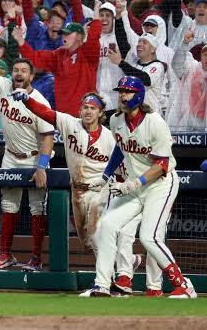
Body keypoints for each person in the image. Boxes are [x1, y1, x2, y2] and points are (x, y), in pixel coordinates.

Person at [11, 88, 156, 294]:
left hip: (101, 190)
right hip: (77, 191)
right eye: (85, 107)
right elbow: (46, 113)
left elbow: (125, 161)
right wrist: (27, 100)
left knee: (98, 237)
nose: (88, 111)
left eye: (92, 108)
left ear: (100, 113)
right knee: (87, 242)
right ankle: (129, 261)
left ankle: (105, 283)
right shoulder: (70, 124)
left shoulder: (110, 136)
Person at [79, 76, 197, 298]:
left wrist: (134, 183)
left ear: (139, 95)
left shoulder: (155, 123)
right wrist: (105, 177)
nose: (123, 95)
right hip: (135, 186)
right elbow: (120, 149)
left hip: (160, 185)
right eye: (121, 91)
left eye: (128, 91)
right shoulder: (116, 120)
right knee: (107, 226)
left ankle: (183, 284)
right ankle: (102, 285)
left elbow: (161, 165)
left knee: (149, 237)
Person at [0, 27, 54, 272]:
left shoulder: (40, 100)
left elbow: (48, 137)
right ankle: (5, 255)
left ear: (32, 75)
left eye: (24, 71)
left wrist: (41, 167)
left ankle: (36, 258)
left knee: (37, 209)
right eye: (16, 70)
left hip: (34, 158)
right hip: (10, 156)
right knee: (9, 207)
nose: (19, 74)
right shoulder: (3, 86)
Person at [15, 3, 102, 116]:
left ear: (79, 36)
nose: (64, 37)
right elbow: (35, 58)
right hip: (62, 117)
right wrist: (21, 42)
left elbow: (94, 37)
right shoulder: (59, 55)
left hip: (85, 116)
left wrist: (96, 14)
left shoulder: (88, 53)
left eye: (68, 34)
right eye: (63, 34)